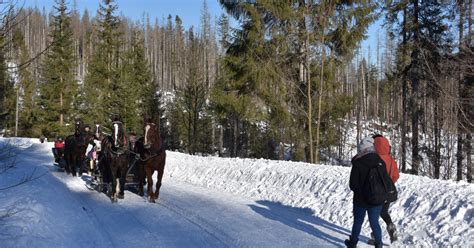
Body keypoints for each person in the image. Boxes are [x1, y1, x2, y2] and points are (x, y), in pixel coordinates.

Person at [345, 137, 385, 248]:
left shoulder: (358, 162)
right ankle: (379, 245)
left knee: (357, 222)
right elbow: (384, 180)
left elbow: (353, 184)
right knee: (374, 223)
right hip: (376, 199)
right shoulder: (380, 161)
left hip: (360, 200)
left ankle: (352, 243)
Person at [368, 134, 400, 244]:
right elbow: (396, 176)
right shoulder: (391, 159)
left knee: (374, 214)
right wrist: (390, 183)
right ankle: (391, 227)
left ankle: (375, 237)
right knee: (383, 211)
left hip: (376, 192)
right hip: (388, 192)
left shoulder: (374, 159)